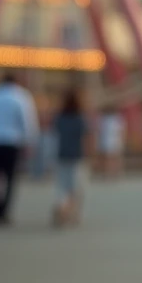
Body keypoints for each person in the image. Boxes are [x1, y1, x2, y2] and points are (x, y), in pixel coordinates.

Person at [0, 73, 38, 224]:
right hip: (12, 142)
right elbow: (27, 120)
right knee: (10, 178)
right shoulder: (22, 96)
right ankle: (4, 210)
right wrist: (29, 141)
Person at [52, 90, 88, 226]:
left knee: (62, 186)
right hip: (76, 156)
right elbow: (86, 138)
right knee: (76, 187)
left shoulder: (60, 118)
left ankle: (61, 206)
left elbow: (54, 134)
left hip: (61, 155)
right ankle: (69, 212)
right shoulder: (80, 118)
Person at [97, 107, 125, 178]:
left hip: (114, 140)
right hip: (108, 140)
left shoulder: (117, 119)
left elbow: (122, 131)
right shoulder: (104, 119)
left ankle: (115, 172)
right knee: (108, 158)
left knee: (114, 157)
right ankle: (108, 172)